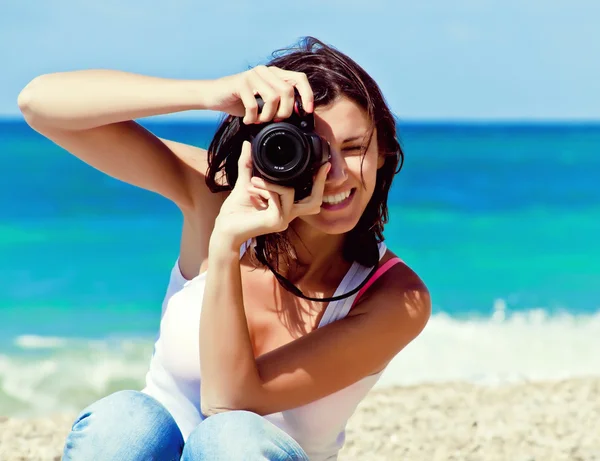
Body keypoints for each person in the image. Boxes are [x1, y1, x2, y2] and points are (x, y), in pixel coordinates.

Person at [18, 37, 431, 461]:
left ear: (383, 152)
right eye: (316, 152)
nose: (337, 175)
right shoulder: (216, 194)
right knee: (123, 421)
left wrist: (226, 245)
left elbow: (228, 402)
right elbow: (38, 104)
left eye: (354, 147)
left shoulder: (396, 297)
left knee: (231, 436)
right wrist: (209, 92)